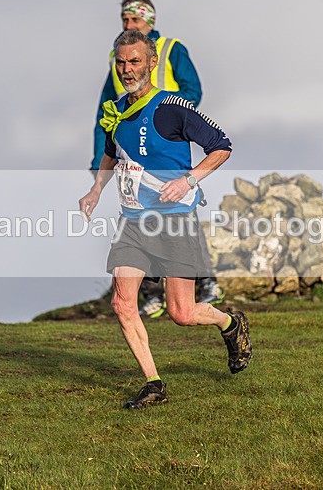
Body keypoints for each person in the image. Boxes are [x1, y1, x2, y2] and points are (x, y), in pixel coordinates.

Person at [79, 30, 251, 409]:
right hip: (133, 223)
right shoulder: (117, 111)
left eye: (135, 61)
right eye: (121, 62)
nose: (127, 69)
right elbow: (112, 153)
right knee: (122, 303)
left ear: (152, 62)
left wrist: (188, 180)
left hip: (175, 223)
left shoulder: (173, 106)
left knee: (182, 313)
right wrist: (96, 190)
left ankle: (230, 323)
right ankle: (153, 384)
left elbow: (221, 146)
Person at [90, 0, 223, 316]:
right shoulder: (118, 56)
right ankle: (151, 296)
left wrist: (161, 112)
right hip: (131, 149)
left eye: (135, 20)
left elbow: (193, 91)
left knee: (180, 211)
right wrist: (99, 160)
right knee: (138, 215)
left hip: (165, 138)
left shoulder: (171, 48)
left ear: (149, 21)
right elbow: (106, 109)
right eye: (125, 20)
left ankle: (206, 282)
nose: (129, 25)